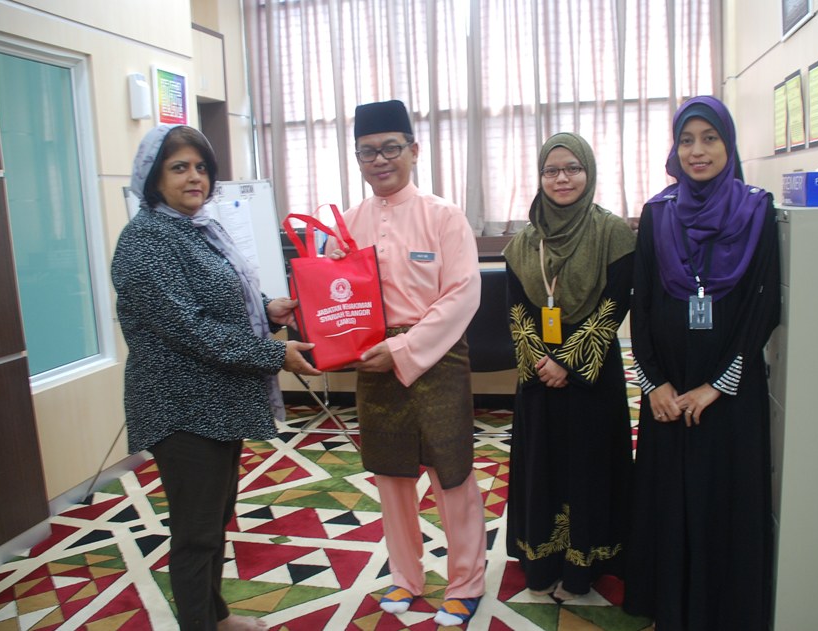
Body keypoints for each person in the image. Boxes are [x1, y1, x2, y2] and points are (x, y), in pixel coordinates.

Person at [111, 124, 320, 631]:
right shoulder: (145, 241)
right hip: (180, 408)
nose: (194, 177)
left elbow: (217, 303)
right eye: (179, 167)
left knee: (213, 521)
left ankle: (217, 616)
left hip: (218, 403)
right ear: (153, 177)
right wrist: (275, 355)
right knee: (195, 534)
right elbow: (192, 330)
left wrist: (267, 310)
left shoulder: (196, 227)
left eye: (201, 167)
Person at [622, 96, 781, 630]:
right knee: (669, 500)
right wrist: (654, 384)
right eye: (687, 140)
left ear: (729, 144)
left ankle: (721, 613)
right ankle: (669, 608)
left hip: (729, 393)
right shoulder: (657, 213)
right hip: (668, 389)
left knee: (724, 500)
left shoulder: (757, 210)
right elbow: (641, 306)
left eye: (710, 138)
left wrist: (718, 384)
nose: (698, 151)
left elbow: (764, 308)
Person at [326, 100, 486, 627]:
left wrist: (405, 347)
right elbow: (334, 299)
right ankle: (405, 577)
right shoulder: (345, 226)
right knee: (391, 474)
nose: (380, 160)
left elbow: (462, 295)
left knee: (452, 472)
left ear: (414, 151)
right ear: (357, 159)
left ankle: (466, 582)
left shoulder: (444, 216)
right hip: (373, 360)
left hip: (437, 355)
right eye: (367, 152)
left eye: (391, 148)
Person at [503, 132, 637, 600]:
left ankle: (586, 567)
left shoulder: (612, 233)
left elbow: (614, 306)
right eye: (551, 171)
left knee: (589, 466)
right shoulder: (524, 241)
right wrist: (541, 362)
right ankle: (542, 563)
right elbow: (516, 309)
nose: (562, 179)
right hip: (538, 378)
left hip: (590, 380)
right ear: (540, 176)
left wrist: (567, 364)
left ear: (589, 172)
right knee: (544, 466)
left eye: (572, 168)